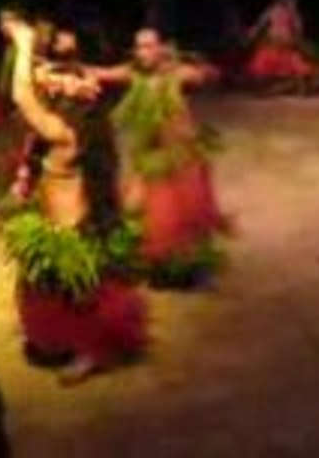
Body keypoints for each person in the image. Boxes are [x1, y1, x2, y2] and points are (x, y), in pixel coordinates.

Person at [2, 16, 147, 384]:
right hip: (59, 225)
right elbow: (39, 80)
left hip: (72, 232)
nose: (53, 90)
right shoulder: (76, 124)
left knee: (81, 299)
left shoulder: (65, 134)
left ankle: (90, 354)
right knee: (57, 295)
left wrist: (23, 42)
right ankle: (73, 344)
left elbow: (21, 94)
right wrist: (52, 70)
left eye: (62, 89)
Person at [89, 28, 228, 284]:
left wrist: (199, 68)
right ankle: (154, 263)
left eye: (149, 46)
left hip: (180, 155)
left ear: (160, 47)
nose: (144, 52)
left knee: (184, 214)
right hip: (151, 156)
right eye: (139, 47)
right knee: (141, 207)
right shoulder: (132, 73)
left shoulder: (176, 74)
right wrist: (66, 69)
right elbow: (101, 72)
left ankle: (188, 267)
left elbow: (208, 75)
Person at [243, 0, 319, 95]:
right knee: (264, 64)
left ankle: (302, 88)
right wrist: (251, 33)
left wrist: (294, 13)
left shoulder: (285, 12)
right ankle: (261, 89)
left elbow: (298, 29)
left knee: (290, 62)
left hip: (282, 42)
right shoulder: (274, 11)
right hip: (277, 41)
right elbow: (260, 24)